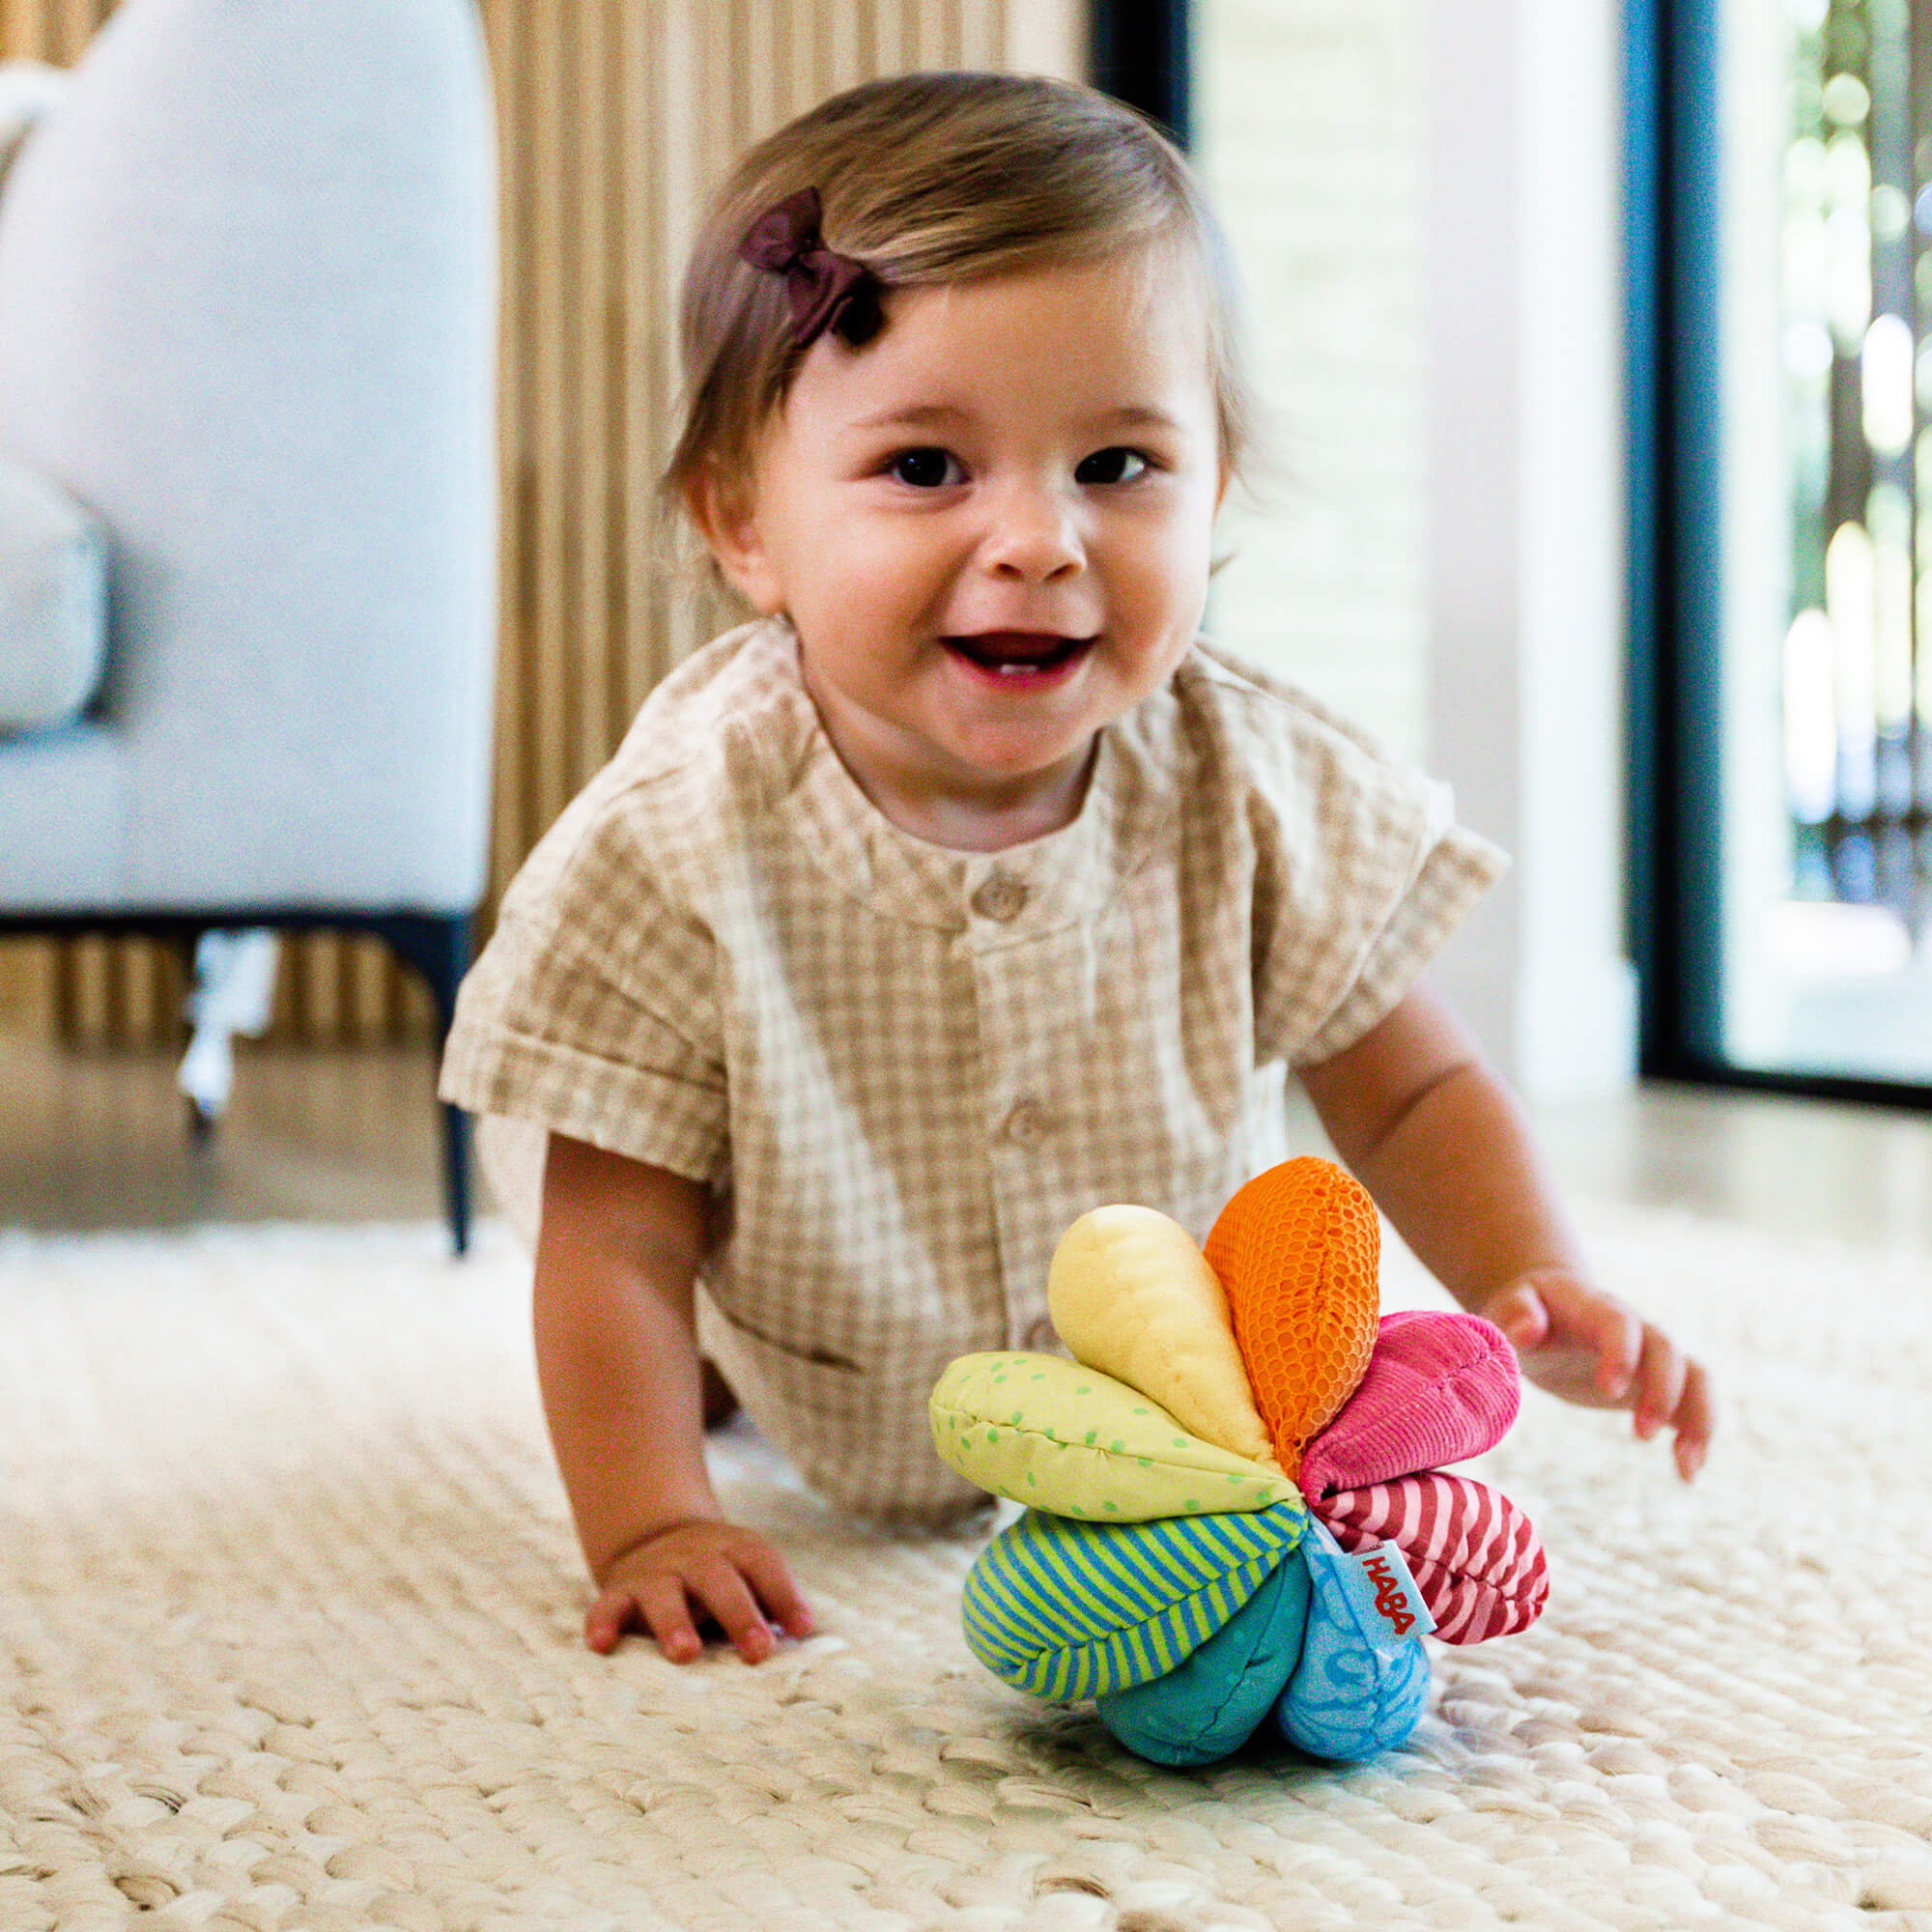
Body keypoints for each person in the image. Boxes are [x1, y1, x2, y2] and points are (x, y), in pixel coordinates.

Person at [439, 71, 1714, 1669]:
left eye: (1118, 467)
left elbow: (1411, 1094)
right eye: (925, 470)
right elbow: (614, 1237)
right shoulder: (675, 840)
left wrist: (1539, 1281)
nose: (1039, 540)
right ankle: (717, 1370)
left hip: (1162, 1404)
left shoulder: (1254, 783)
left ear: (1216, 494)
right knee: (658, 1259)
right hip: (815, 1339)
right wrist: (652, 1519)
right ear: (742, 522)